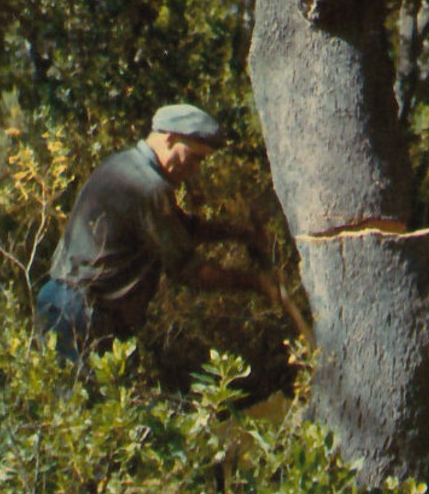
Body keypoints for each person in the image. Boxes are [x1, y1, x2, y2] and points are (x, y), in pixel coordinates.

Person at [36, 104, 275, 361]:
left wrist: (240, 234)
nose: (195, 169)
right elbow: (188, 270)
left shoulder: (126, 165)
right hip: (80, 314)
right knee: (82, 398)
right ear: (170, 138)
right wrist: (255, 283)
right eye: (194, 157)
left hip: (59, 303)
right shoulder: (149, 187)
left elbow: (181, 228)